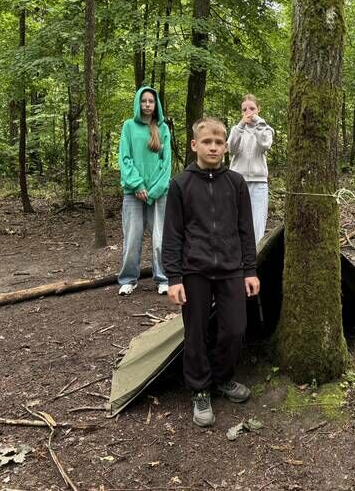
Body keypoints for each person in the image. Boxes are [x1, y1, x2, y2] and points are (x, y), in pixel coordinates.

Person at [162, 117, 260, 428]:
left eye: (219, 142)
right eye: (207, 142)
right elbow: (172, 235)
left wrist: (250, 270)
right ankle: (199, 389)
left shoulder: (236, 183)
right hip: (195, 270)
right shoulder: (180, 184)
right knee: (195, 332)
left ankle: (222, 378)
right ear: (195, 145)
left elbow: (246, 230)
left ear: (226, 147)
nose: (213, 147)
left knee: (234, 329)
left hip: (231, 268)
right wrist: (174, 278)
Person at [117, 86, 172, 296]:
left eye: (151, 101)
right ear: (138, 103)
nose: (147, 104)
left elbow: (166, 163)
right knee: (132, 238)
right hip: (133, 193)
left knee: (160, 238)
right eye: (143, 101)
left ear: (155, 104)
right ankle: (128, 280)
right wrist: (138, 185)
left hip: (158, 194)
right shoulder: (129, 127)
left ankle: (163, 278)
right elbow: (125, 158)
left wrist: (154, 190)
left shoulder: (163, 129)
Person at [228, 94, 275, 244]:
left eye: (252, 108)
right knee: (235, 222)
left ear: (258, 109)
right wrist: (241, 126)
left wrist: (258, 124)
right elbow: (231, 148)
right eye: (244, 109)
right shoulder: (236, 129)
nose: (248, 112)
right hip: (237, 182)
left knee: (257, 225)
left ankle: (256, 256)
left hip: (259, 183)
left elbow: (265, 144)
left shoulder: (266, 129)